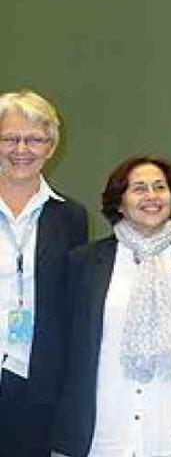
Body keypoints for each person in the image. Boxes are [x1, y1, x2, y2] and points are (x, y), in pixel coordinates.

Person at [51, 156, 171, 457]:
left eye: (160, 187)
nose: (152, 196)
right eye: (139, 188)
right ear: (119, 203)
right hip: (101, 428)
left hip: (169, 428)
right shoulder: (82, 262)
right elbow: (62, 343)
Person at [0, 90, 87, 457]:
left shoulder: (69, 217)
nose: (22, 149)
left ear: (51, 147)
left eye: (35, 139)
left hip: (38, 378)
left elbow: (72, 303)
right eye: (9, 138)